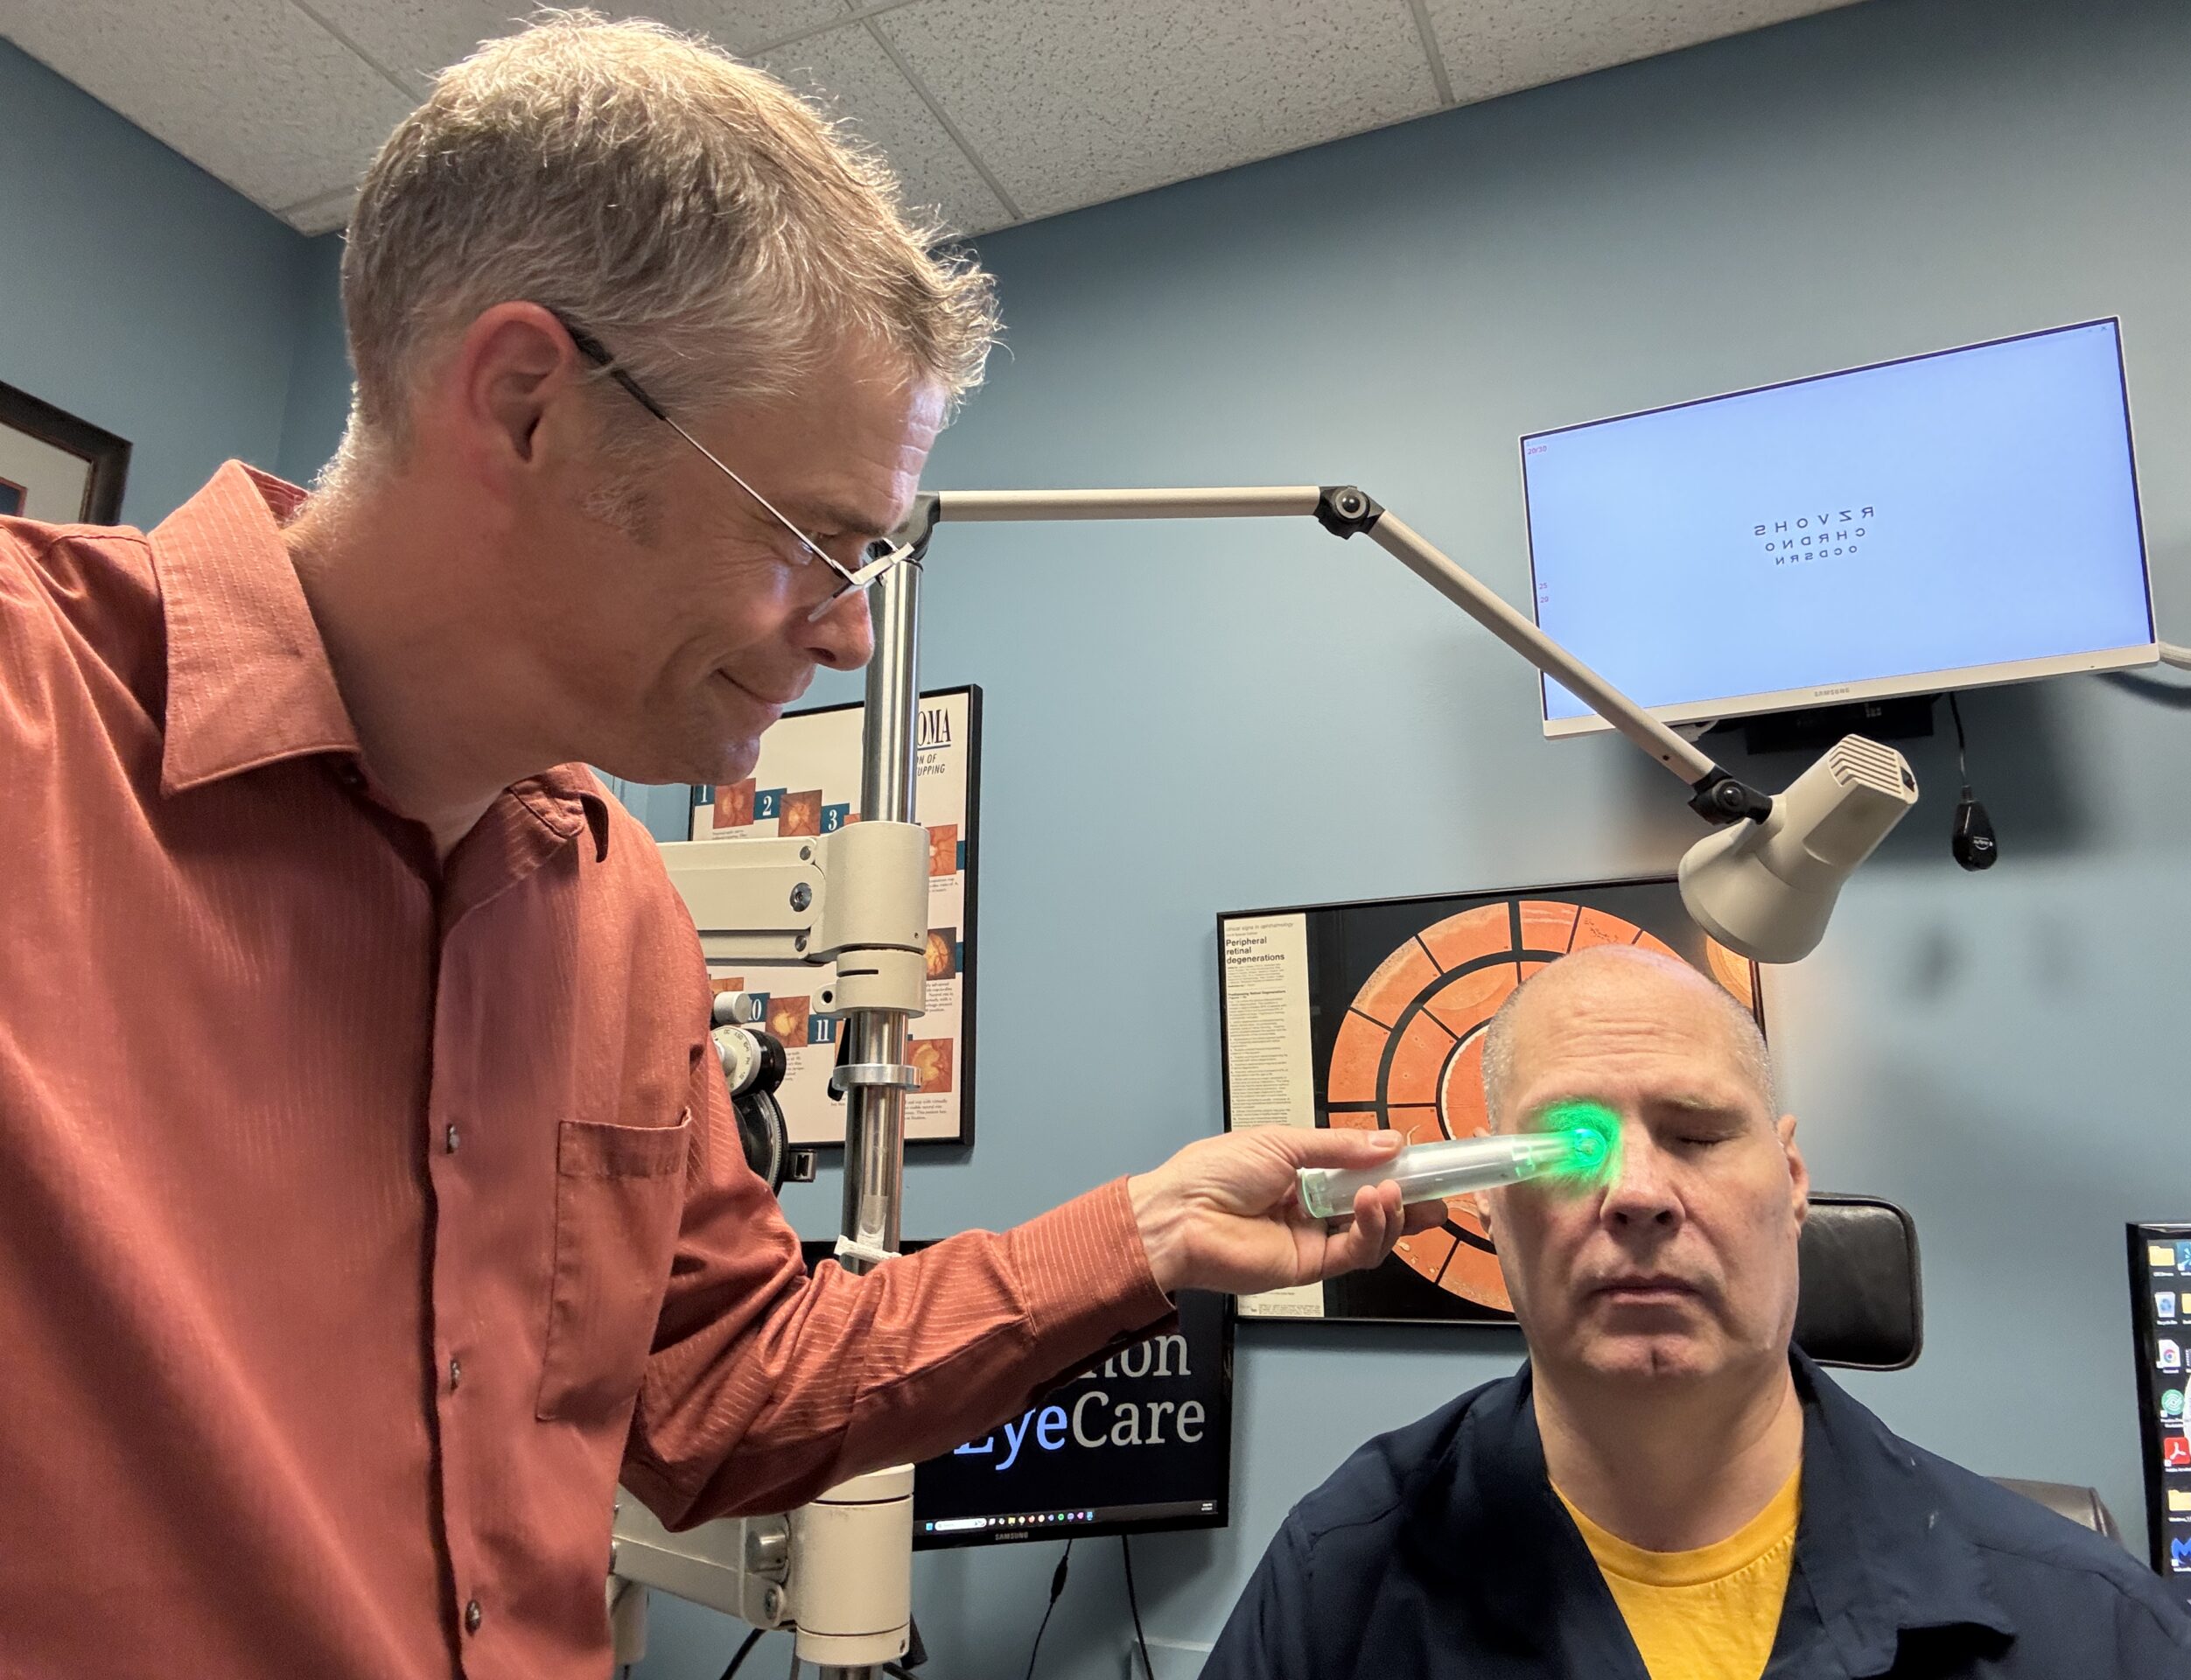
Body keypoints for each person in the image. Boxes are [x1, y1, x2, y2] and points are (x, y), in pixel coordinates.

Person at [0, 16, 1437, 1678]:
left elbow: (714, 1386)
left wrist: (1148, 1236)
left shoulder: (613, 899)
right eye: (811, 545)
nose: (842, 637)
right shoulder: (36, 725)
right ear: (530, 405)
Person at [1205, 946, 2191, 1679]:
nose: (1637, 1193)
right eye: (1569, 1146)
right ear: (1485, 1201)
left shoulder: (2096, 1632)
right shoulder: (1338, 1583)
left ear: (1789, 1183)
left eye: (1695, 1135)